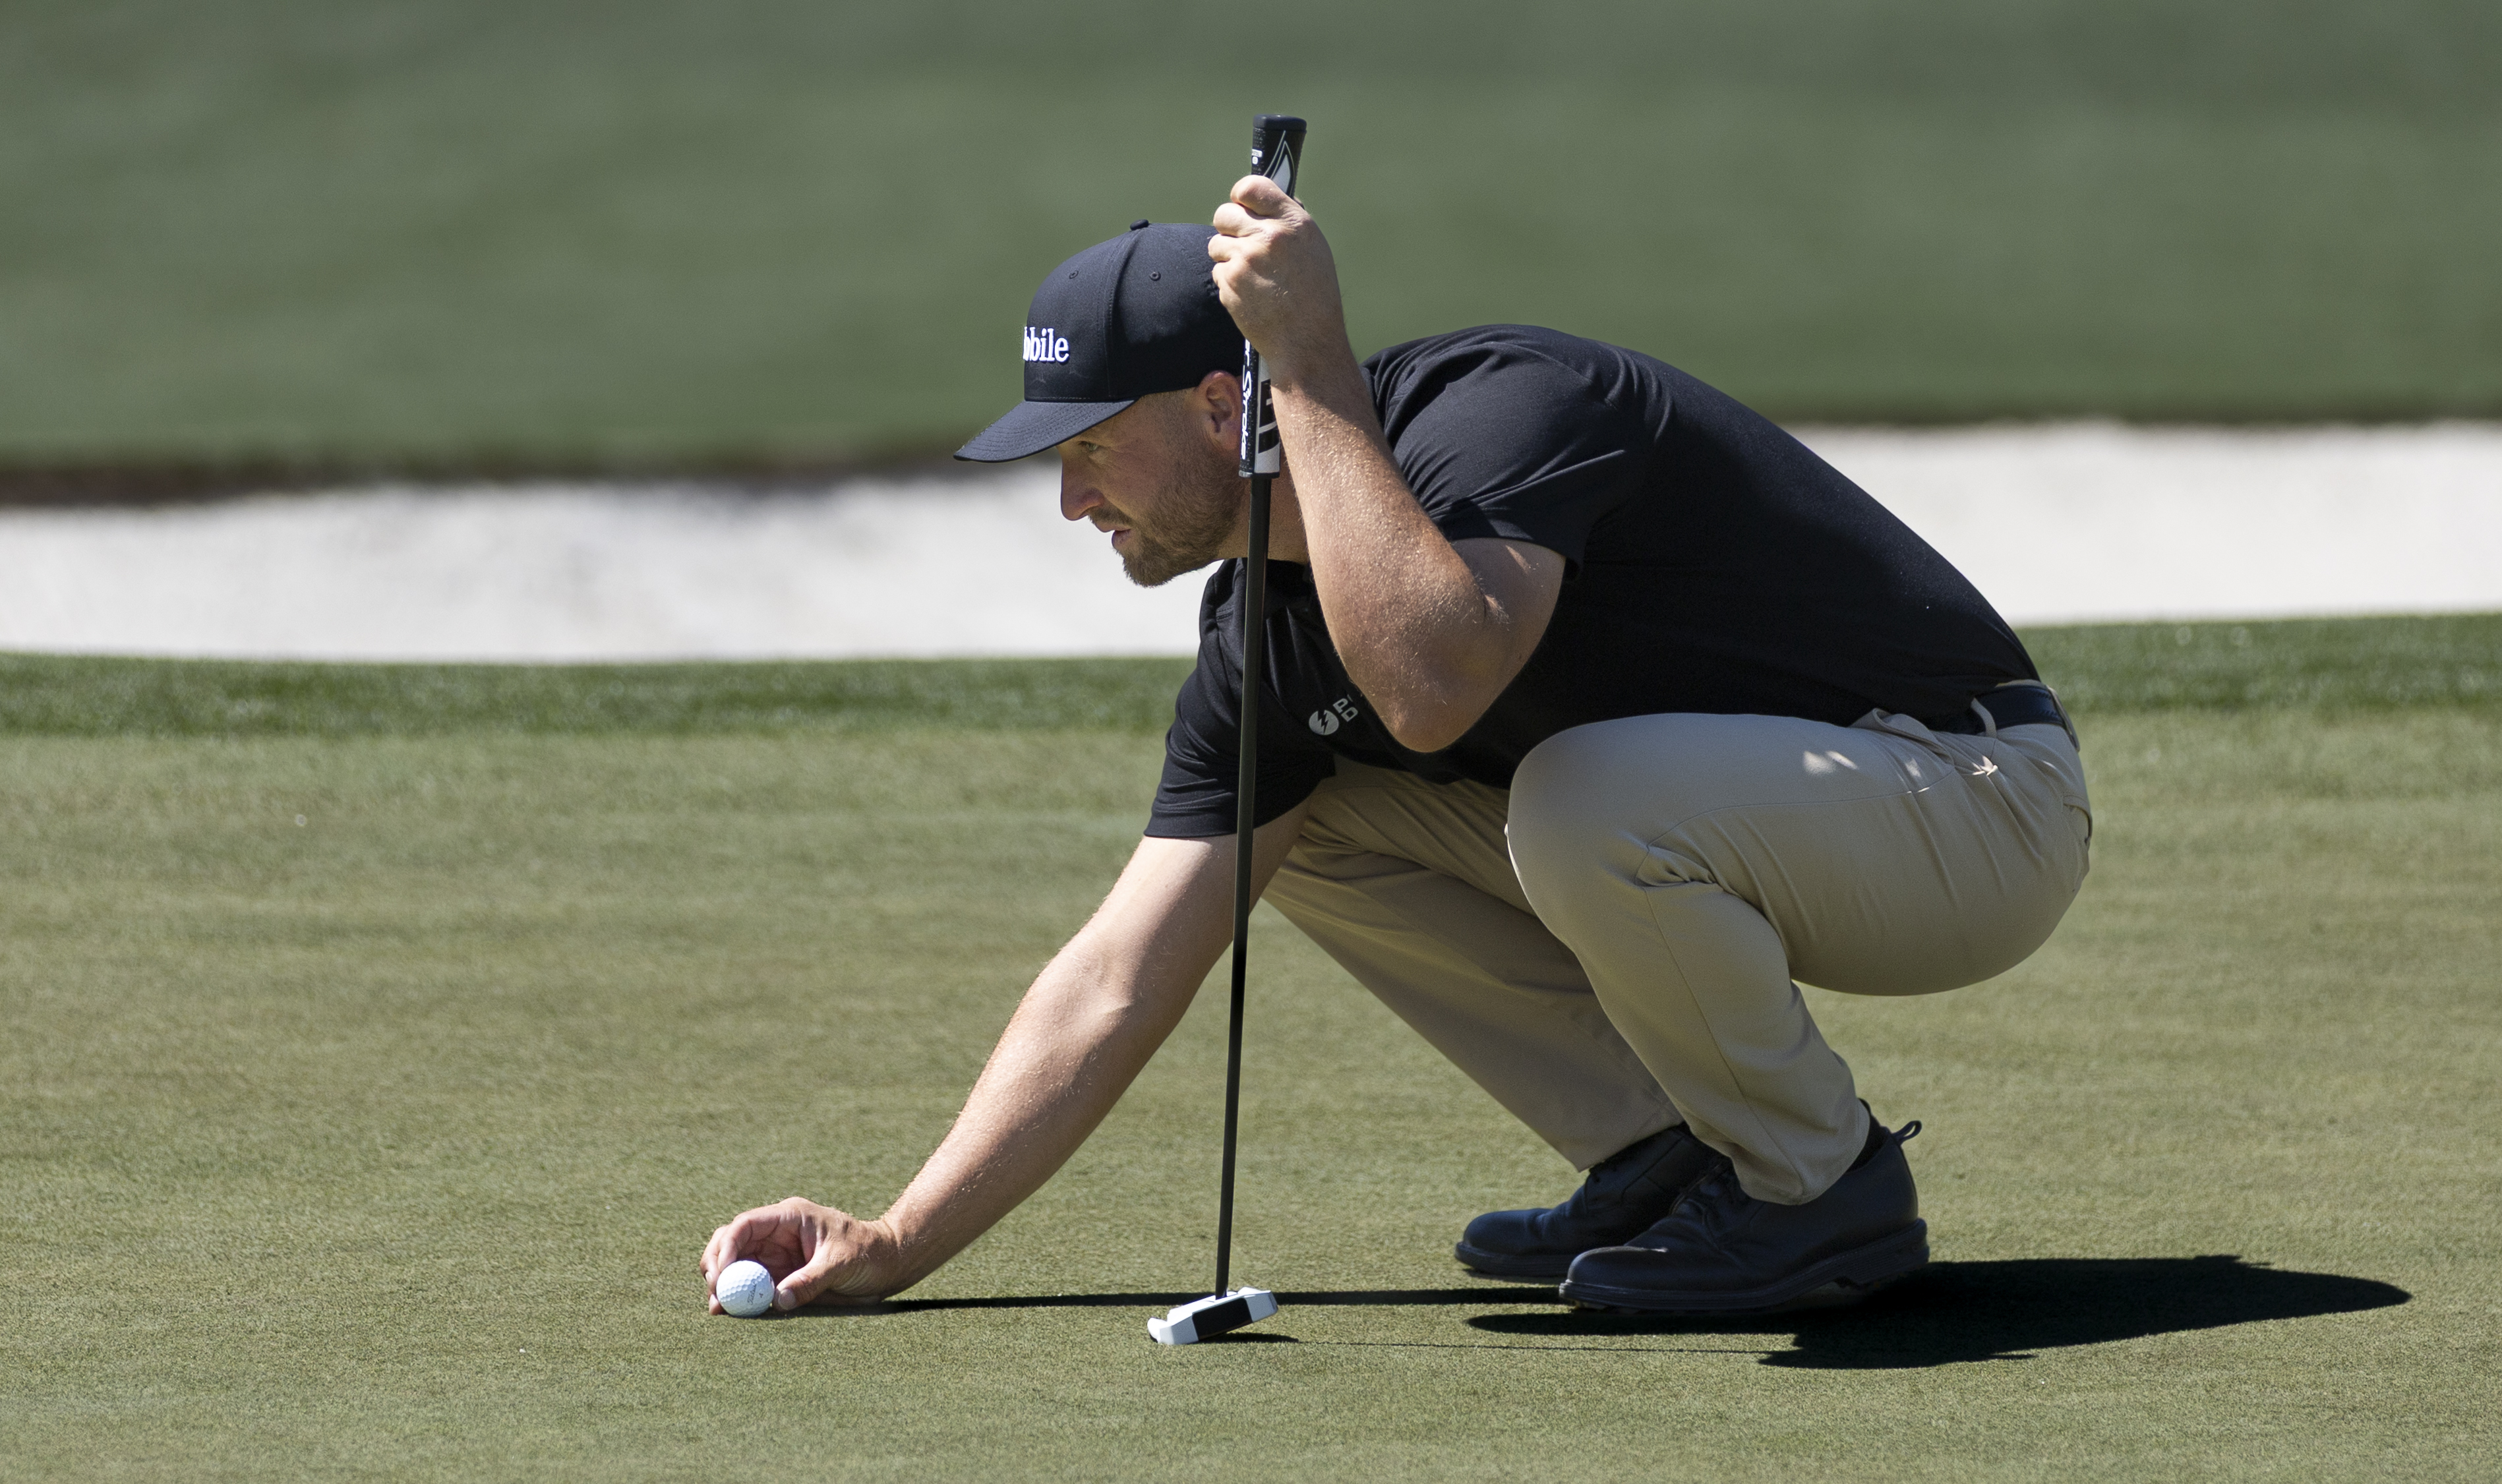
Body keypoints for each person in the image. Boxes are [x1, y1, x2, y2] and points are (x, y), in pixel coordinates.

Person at [698, 179, 2091, 1316]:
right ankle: (1668, 1151)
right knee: (1295, 821)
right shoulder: (1260, 630)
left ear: (1212, 406)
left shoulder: (1502, 410)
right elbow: (1119, 970)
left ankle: (1813, 1192)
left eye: (1091, 448)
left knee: (1575, 796)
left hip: (1971, 803)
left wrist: (1301, 365)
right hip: (1795, 827)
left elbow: (1431, 679)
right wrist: (897, 1237)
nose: (1068, 501)